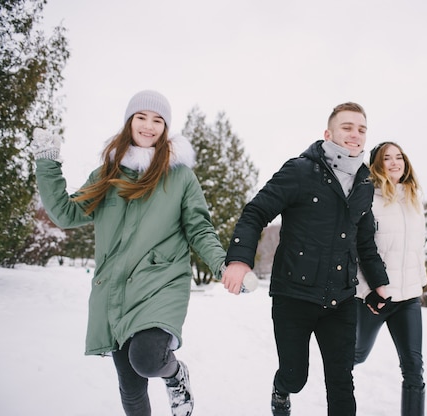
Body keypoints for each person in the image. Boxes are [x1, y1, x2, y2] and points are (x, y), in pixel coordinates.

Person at [32, 90, 227, 416]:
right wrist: (47, 161)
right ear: (129, 122)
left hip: (161, 283)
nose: (149, 126)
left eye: (158, 120)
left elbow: (199, 229)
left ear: (165, 128)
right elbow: (67, 213)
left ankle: (175, 374)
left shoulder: (180, 176)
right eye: (142, 117)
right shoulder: (108, 176)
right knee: (131, 386)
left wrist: (222, 264)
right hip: (118, 289)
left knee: (148, 359)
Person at [222, 102, 390, 416]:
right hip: (293, 296)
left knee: (342, 384)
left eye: (361, 129)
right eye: (347, 127)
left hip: (340, 299)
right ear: (328, 133)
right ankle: (281, 389)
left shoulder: (365, 183)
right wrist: (239, 259)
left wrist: (379, 283)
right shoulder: (300, 170)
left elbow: (365, 242)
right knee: (295, 376)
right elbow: (255, 212)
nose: (355, 135)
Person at [354, 141, 427, 416]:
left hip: (408, 298)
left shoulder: (413, 199)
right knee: (357, 355)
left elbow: (416, 249)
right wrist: (369, 290)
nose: (395, 162)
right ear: (377, 164)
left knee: (413, 369)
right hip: (374, 299)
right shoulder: (368, 199)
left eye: (399, 157)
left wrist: (419, 282)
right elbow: (361, 250)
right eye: (388, 158)